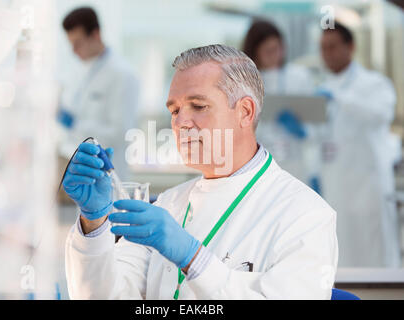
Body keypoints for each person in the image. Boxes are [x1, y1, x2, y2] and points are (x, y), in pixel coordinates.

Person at [63, 44, 338, 300]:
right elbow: (106, 296)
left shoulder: (306, 215)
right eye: (174, 110)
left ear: (245, 111)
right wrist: (94, 224)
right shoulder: (169, 205)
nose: (181, 122)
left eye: (198, 106)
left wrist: (193, 257)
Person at [318, 22, 400, 267]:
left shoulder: (374, 83)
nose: (327, 54)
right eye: (323, 48)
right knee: (341, 255)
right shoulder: (322, 88)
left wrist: (342, 99)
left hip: (369, 187)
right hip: (335, 187)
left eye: (332, 47)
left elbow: (382, 113)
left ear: (350, 47)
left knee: (376, 253)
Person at [58, 7, 139, 183]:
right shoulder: (82, 71)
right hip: (81, 170)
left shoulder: (122, 74)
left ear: (95, 34)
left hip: (109, 176)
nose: (73, 51)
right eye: (70, 44)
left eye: (77, 43)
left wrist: (74, 124)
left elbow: (120, 132)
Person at [242, 20, 321, 192]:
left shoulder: (299, 76)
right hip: (257, 166)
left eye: (278, 49)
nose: (275, 55)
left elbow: (316, 125)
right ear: (255, 52)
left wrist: (303, 130)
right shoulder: (244, 82)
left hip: (295, 165)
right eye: (268, 51)